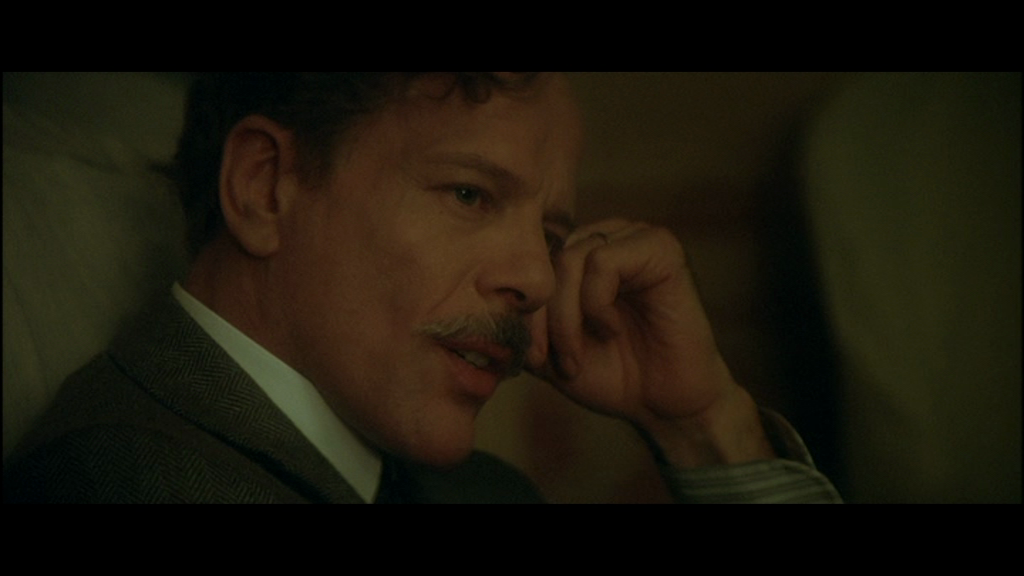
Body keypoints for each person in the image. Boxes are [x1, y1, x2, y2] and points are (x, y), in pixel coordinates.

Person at [3, 73, 840, 503]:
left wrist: (704, 429)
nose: (537, 278)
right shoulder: (122, 483)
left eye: (551, 236)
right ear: (264, 188)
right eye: (470, 195)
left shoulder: (481, 491)